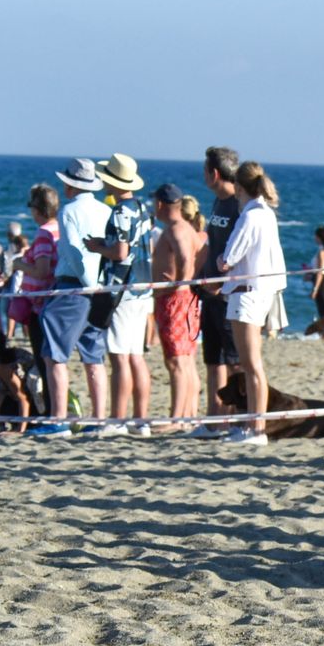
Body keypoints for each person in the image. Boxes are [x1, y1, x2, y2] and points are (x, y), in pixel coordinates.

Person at [30, 158, 111, 437]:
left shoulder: (69, 211)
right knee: (94, 355)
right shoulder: (104, 210)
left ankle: (59, 419)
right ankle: (99, 419)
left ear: (71, 185)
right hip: (101, 286)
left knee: (54, 355)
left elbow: (74, 251)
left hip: (76, 285)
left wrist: (87, 284)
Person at [217, 161, 288, 446]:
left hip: (247, 293)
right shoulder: (265, 213)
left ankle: (256, 426)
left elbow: (229, 257)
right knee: (251, 364)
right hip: (258, 291)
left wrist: (222, 262)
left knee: (251, 364)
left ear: (238, 186)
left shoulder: (250, 216)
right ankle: (252, 423)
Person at [89, 153, 153, 436]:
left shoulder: (120, 211)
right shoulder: (141, 207)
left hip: (123, 288)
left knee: (119, 356)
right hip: (142, 285)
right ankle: (140, 419)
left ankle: (118, 419)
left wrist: (96, 247)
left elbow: (120, 252)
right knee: (135, 355)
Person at [194, 147, 244, 437]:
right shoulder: (217, 202)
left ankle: (240, 421)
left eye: (205, 170)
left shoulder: (239, 204)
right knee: (214, 360)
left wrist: (221, 282)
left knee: (236, 362)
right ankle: (214, 421)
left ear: (214, 173)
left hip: (229, 294)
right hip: (209, 293)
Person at [150, 183, 202, 426]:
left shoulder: (176, 229)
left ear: (160, 204)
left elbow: (184, 257)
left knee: (177, 360)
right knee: (186, 358)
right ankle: (188, 413)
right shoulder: (186, 228)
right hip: (183, 298)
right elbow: (202, 252)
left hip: (175, 300)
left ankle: (177, 417)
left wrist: (179, 283)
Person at [9, 183, 60, 378]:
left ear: (37, 209)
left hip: (40, 305)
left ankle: (48, 406)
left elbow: (42, 271)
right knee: (51, 360)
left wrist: (19, 265)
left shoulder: (44, 234)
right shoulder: (59, 228)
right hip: (54, 301)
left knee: (43, 360)